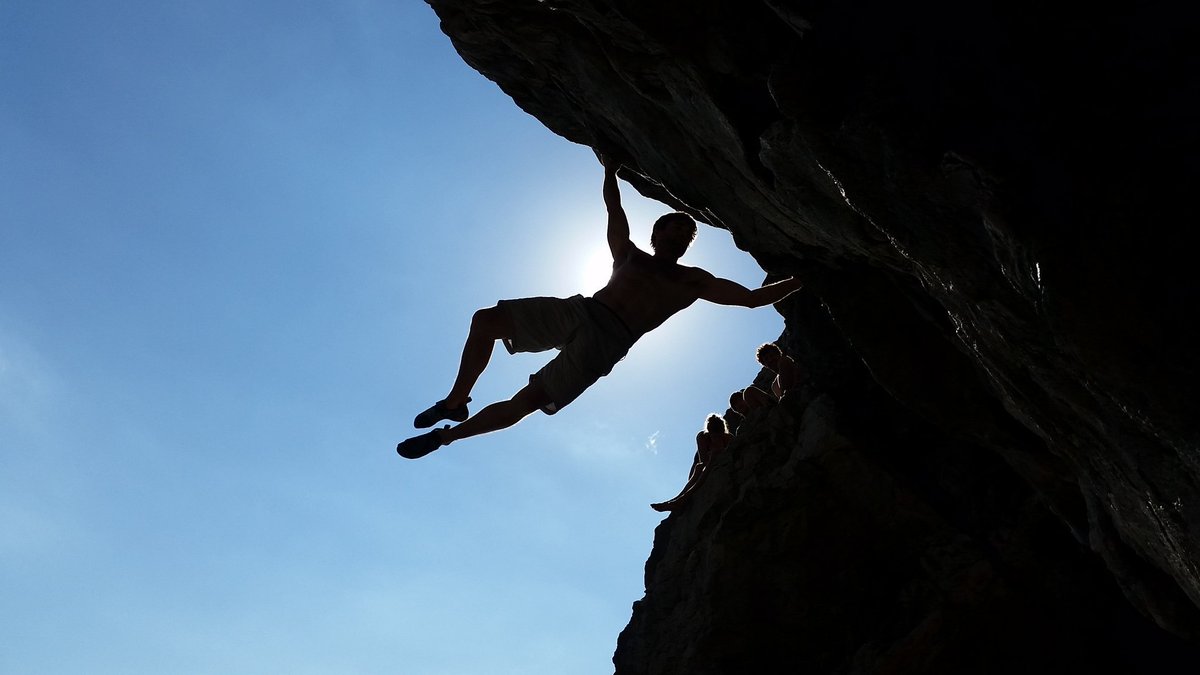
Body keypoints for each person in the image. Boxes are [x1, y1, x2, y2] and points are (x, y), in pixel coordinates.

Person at [396, 156, 805, 459]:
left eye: (688, 232)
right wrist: (609, 170)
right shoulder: (629, 256)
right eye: (675, 228)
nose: (682, 234)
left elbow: (751, 299)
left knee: (530, 400)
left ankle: (448, 437)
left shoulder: (692, 280)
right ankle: (455, 401)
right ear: (657, 233)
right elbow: (615, 210)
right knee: (486, 320)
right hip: (583, 310)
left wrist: (802, 278)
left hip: (609, 341)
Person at [651, 414, 733, 511]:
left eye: (716, 434)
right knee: (699, 467)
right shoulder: (702, 437)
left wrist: (717, 452)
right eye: (712, 433)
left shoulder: (728, 438)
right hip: (701, 469)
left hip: (716, 465)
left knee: (705, 464)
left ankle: (680, 500)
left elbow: (729, 455)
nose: (714, 436)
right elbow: (703, 460)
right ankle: (676, 500)